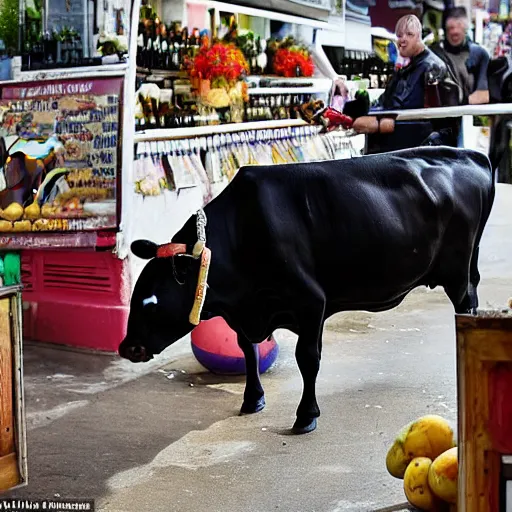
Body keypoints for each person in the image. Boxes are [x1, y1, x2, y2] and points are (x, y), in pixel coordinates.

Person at [372, 14, 449, 111]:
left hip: (411, 122)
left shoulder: (432, 67)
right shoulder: (406, 65)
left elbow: (429, 114)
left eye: (409, 34)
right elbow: (386, 100)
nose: (402, 40)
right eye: (399, 35)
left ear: (418, 37)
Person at [430, 6, 490, 105]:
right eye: (451, 28)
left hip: (467, 114)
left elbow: (483, 95)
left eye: (459, 26)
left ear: (466, 29)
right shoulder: (434, 54)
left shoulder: (479, 54)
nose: (454, 31)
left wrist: (458, 104)